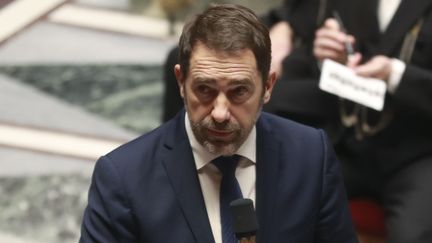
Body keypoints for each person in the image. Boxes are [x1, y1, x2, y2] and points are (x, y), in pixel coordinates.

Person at [79, 4, 358, 243]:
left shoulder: (311, 156)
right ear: (180, 81)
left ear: (268, 86)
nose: (221, 113)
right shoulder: (123, 178)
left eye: (239, 91)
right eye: (204, 89)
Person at [265, 0, 432, 242]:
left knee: (414, 234)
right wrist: (323, 52)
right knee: (282, 202)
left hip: (417, 152)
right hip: (346, 138)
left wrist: (395, 75)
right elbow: (297, 16)